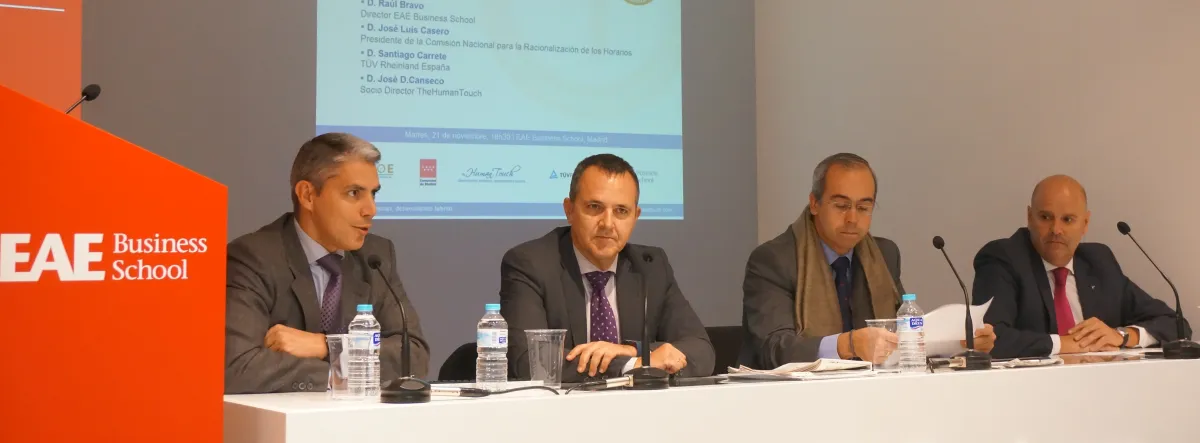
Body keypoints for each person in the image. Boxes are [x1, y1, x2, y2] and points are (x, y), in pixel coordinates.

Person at [741, 153, 995, 369]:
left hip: (871, 393)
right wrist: (847, 345)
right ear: (814, 203)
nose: (852, 218)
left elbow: (905, 335)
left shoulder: (884, 255)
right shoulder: (774, 260)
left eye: (863, 208)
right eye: (841, 206)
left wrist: (961, 345)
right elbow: (773, 349)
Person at [224, 133, 429, 394]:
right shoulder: (254, 258)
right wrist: (341, 376)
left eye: (373, 194)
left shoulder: (376, 256)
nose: (370, 209)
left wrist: (327, 346)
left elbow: (413, 355)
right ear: (308, 195)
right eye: (354, 193)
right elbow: (237, 366)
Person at [500, 154, 714, 382]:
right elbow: (531, 361)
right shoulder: (530, 264)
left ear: (635, 216)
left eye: (621, 211)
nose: (608, 224)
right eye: (595, 207)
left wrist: (634, 350)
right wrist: (633, 365)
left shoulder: (650, 266)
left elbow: (701, 350)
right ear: (569, 210)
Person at [973, 174, 1187, 359]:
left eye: (1067, 220)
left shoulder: (1099, 262)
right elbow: (988, 339)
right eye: (1046, 217)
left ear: (1085, 224)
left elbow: (1176, 325)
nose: (1056, 229)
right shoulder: (1003, 259)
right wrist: (1063, 344)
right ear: (1029, 217)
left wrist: (1122, 336)